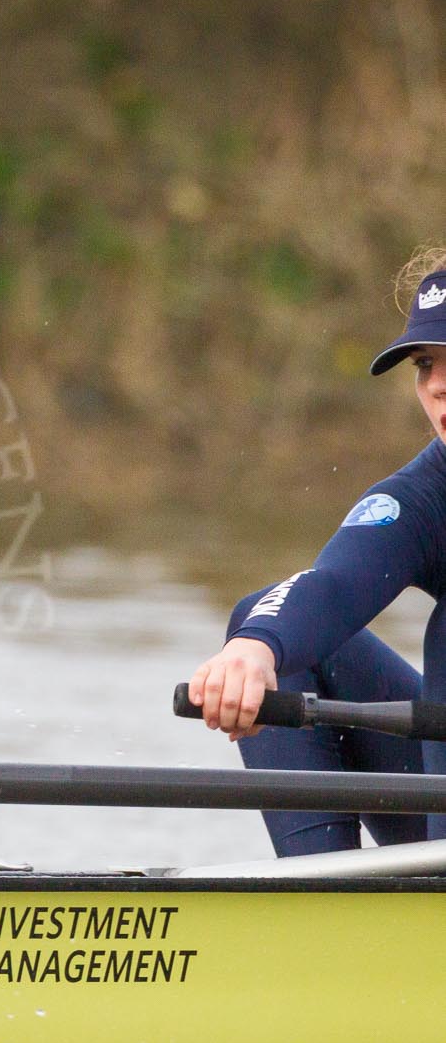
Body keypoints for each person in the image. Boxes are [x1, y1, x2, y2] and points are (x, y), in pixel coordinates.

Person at [186, 246, 446, 855]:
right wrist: (255, 648)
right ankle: (324, 909)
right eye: (426, 363)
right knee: (271, 631)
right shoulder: (428, 497)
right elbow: (331, 586)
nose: (437, 385)